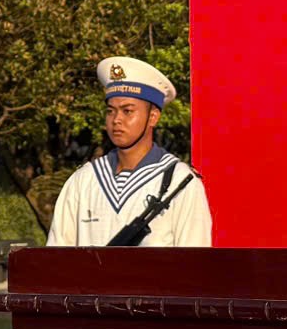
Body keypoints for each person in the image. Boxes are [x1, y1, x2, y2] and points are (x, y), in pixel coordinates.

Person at [45, 58, 213, 247]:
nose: (116, 120)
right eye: (110, 111)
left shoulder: (181, 181)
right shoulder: (84, 179)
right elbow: (57, 258)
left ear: (153, 117)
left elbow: (194, 266)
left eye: (127, 111)